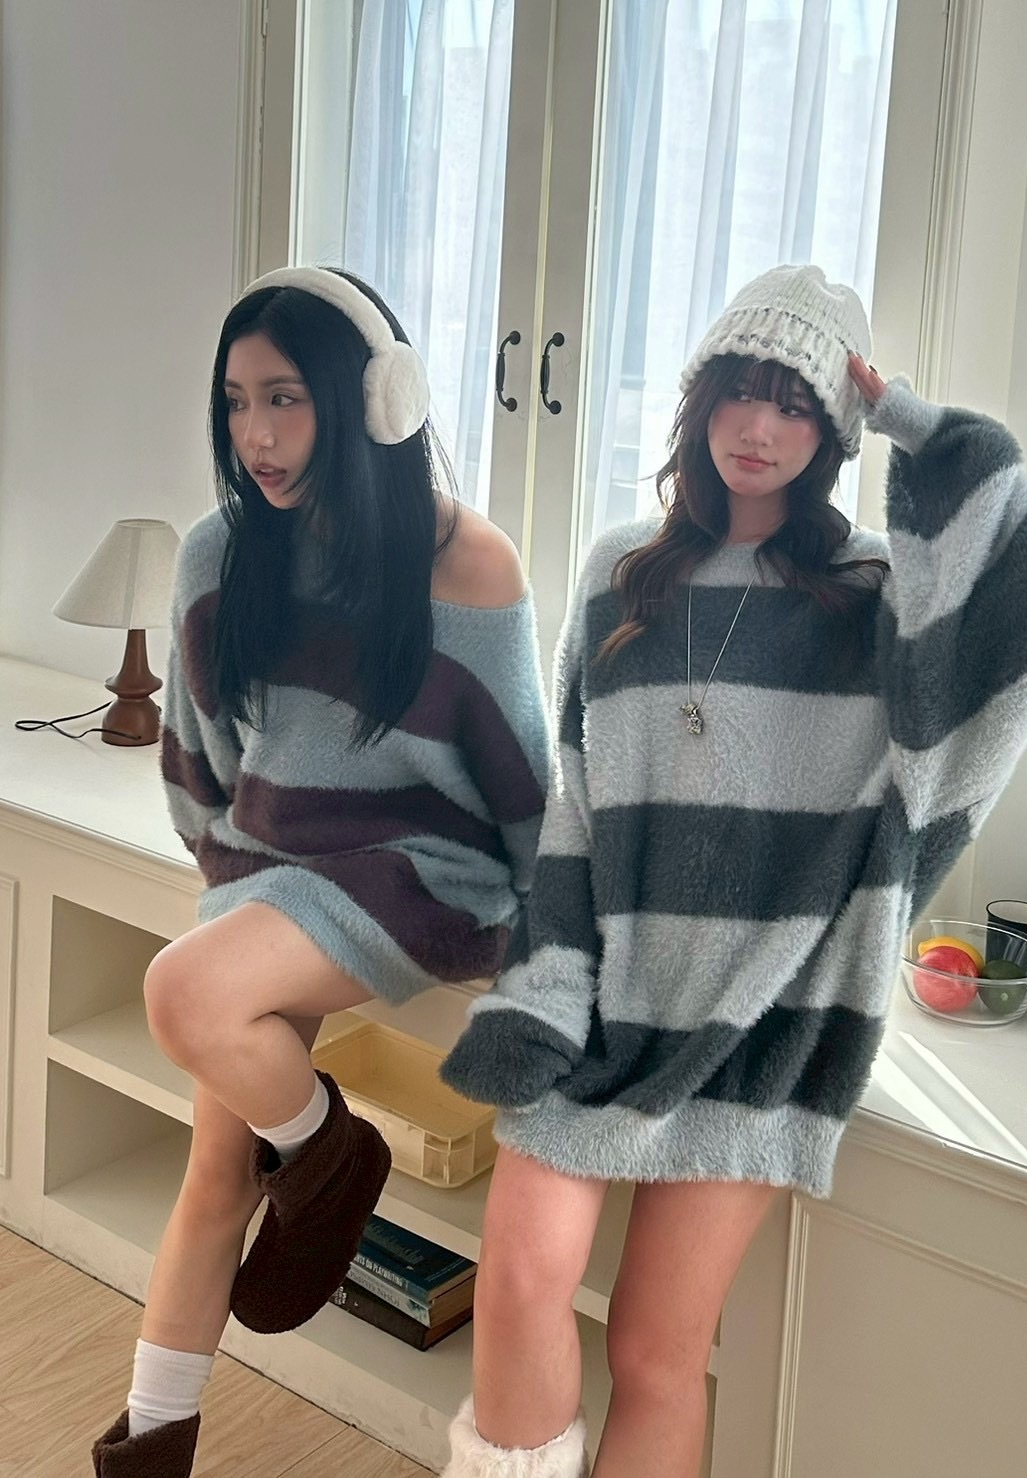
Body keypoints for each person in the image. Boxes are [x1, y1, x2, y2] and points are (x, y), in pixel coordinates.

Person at [438, 264, 1027, 1478]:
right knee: (519, 1279)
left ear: (834, 428)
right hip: (604, 998)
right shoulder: (618, 572)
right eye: (738, 392)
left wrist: (911, 420)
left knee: (654, 1351)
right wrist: (546, 986)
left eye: (796, 403)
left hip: (765, 1016)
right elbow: (575, 802)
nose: (757, 427)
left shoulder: (875, 600)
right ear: (698, 401)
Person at [91, 266, 549, 1477]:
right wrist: (233, 889)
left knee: (181, 993)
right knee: (215, 1166)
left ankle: (329, 1151)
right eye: (237, 401)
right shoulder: (219, 552)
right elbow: (198, 762)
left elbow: (520, 777)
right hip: (272, 872)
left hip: (423, 872)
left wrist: (555, 941)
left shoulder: (467, 562)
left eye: (285, 398)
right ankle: (152, 1445)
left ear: (369, 400)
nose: (256, 435)